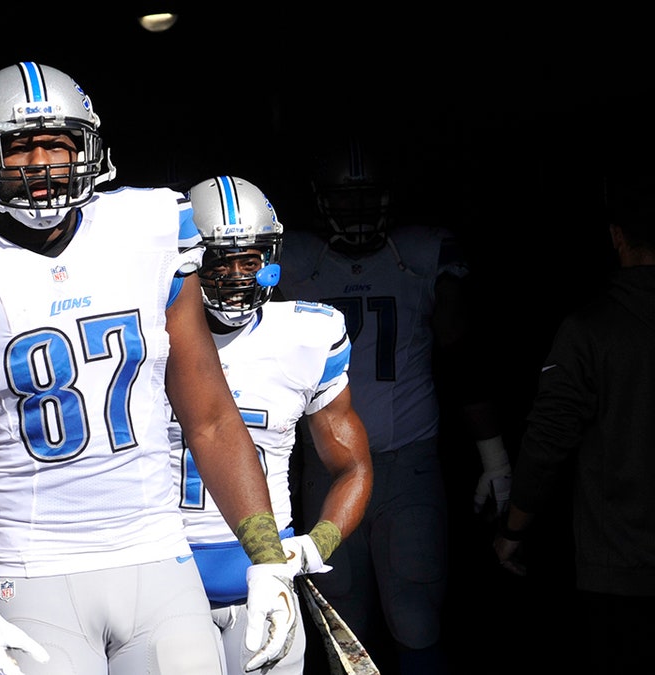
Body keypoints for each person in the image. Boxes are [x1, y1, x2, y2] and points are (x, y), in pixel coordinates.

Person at [0, 61, 299, 675]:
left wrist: (265, 557)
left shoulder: (152, 228)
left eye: (59, 142)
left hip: (159, 559)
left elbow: (209, 415)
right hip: (29, 572)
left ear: (90, 145)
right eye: (19, 147)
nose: (44, 163)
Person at [276, 137, 512, 674]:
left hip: (408, 464)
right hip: (328, 468)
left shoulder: (418, 256)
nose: (356, 213)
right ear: (318, 200)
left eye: (366, 199)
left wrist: (493, 455)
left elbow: (461, 353)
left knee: (415, 615)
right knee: (341, 623)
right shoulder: (297, 263)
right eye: (344, 199)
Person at [170, 175, 374, 675]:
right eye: (222, 260)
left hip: (265, 579)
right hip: (164, 593)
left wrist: (315, 544)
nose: (240, 275)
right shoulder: (144, 337)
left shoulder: (306, 334)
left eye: (252, 258)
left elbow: (354, 466)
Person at [493, 170, 655, 674]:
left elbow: (548, 441)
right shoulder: (593, 329)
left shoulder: (590, 330)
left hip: (621, 571)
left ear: (616, 237)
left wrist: (513, 527)